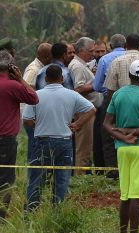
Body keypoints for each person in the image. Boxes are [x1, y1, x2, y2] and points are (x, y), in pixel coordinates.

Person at [22, 65, 95, 211]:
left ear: (46, 79)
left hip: (42, 142)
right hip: (64, 143)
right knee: (62, 181)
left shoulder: (37, 95)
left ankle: (31, 213)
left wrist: (39, 124)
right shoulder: (72, 95)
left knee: (36, 180)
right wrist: (77, 124)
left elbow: (26, 120)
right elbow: (91, 109)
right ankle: (58, 212)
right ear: (62, 79)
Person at [103, 60, 139, 233]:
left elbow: (106, 124)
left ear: (130, 75)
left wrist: (123, 136)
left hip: (122, 150)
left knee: (125, 195)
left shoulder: (118, 94)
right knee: (136, 196)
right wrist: (133, 133)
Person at [103, 34, 139, 178]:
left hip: (120, 107)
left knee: (118, 138)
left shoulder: (116, 61)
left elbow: (110, 90)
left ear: (125, 45)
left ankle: (118, 173)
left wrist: (114, 108)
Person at [0, 50, 38, 219]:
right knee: (6, 179)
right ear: (10, 67)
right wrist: (21, 79)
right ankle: (1, 215)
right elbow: (33, 97)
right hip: (5, 141)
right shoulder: (13, 86)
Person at [68, 37, 103, 175]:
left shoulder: (82, 64)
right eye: (91, 51)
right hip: (84, 112)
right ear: (81, 50)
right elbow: (78, 88)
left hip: (89, 111)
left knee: (87, 146)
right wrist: (96, 85)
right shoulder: (77, 65)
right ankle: (80, 178)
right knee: (83, 148)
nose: (93, 54)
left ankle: (82, 176)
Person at [92, 34, 126, 174]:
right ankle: (126, 168)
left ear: (110, 47)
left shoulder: (105, 59)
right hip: (130, 100)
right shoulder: (136, 58)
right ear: (125, 45)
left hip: (111, 99)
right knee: (129, 130)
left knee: (108, 135)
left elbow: (97, 86)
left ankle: (112, 171)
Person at [22, 42, 52, 162]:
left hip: (34, 115)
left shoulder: (41, 68)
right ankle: (33, 178)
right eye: (52, 55)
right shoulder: (34, 69)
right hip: (32, 116)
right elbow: (25, 88)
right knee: (35, 150)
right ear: (46, 56)